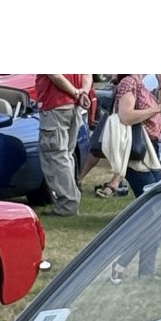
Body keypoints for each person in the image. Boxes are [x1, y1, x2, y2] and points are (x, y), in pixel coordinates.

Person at [107, 74, 161, 281]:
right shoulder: (129, 82)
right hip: (138, 154)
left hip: (151, 152)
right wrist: (158, 107)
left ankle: (146, 271)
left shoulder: (142, 86)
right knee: (153, 211)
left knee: (155, 212)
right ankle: (121, 264)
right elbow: (125, 116)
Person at [33, 74, 91, 215]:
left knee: (56, 156)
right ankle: (71, 201)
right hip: (73, 106)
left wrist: (75, 92)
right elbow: (87, 74)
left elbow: (55, 76)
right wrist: (83, 92)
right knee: (66, 156)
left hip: (55, 105)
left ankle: (67, 205)